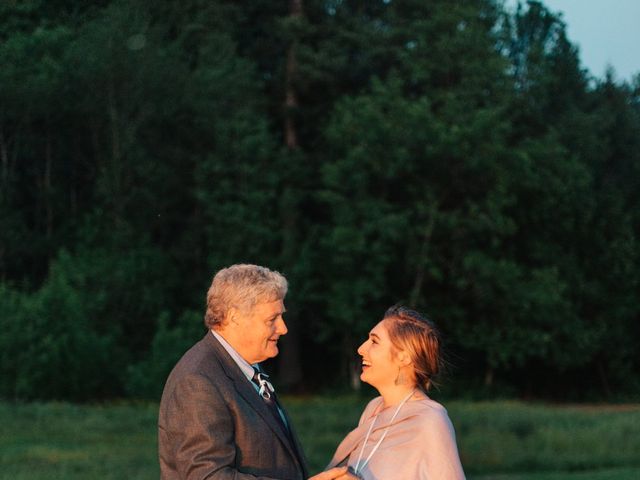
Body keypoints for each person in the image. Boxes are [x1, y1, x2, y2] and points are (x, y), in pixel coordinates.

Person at [158, 264, 347, 480]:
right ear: (235, 317)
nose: (283, 328)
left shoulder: (245, 368)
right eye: (272, 319)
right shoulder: (197, 381)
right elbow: (208, 476)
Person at [326, 305, 466, 480]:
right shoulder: (373, 409)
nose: (361, 348)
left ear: (404, 357)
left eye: (374, 341)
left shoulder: (430, 419)